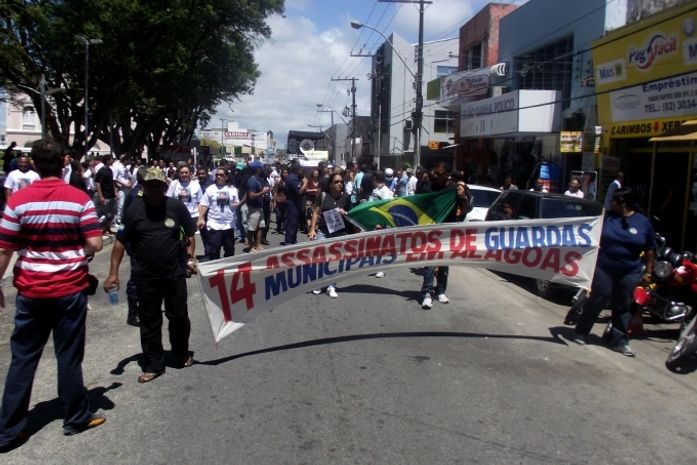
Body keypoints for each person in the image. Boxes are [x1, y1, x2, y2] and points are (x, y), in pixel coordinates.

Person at [0, 139, 105, 450]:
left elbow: (5, 248)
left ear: (33, 163)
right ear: (64, 162)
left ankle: (8, 431)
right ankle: (76, 418)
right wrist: (74, 249)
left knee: (22, 359)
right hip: (69, 289)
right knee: (68, 357)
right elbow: (96, 244)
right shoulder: (78, 198)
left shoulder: (18, 201)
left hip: (31, 290)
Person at [104, 167, 196, 383]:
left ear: (165, 187)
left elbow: (190, 234)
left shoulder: (176, 206)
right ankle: (154, 364)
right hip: (145, 277)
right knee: (149, 322)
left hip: (174, 275)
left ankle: (181, 354)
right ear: (143, 187)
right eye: (150, 186)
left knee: (179, 317)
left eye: (158, 186)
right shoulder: (134, 209)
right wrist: (112, 274)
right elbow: (120, 242)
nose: (154, 190)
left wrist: (190, 257)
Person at [571, 188, 655, 357]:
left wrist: (649, 272)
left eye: (614, 201)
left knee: (623, 304)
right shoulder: (607, 217)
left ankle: (620, 340)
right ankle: (581, 331)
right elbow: (587, 232)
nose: (611, 204)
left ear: (624, 203)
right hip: (604, 267)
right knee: (600, 296)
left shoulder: (642, 222)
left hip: (629, 270)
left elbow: (650, 249)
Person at [418, 162, 470, 309]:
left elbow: (465, 209)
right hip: (432, 231)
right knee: (430, 263)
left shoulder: (454, 189)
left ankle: (440, 290)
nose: (435, 175)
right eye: (435, 172)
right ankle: (427, 293)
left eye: (439, 173)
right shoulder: (430, 187)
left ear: (447, 175)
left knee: (444, 263)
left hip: (448, 232)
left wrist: (462, 197)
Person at [308, 172, 353, 298]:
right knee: (320, 258)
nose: (339, 184)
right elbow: (316, 213)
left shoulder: (346, 198)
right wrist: (312, 230)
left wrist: (345, 213)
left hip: (339, 233)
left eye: (341, 182)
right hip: (323, 231)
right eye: (336, 182)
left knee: (334, 260)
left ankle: (331, 285)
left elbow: (352, 215)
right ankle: (319, 283)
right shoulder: (323, 196)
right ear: (330, 184)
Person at [198, 168, 240, 260]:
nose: (219, 177)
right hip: (214, 225)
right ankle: (215, 271)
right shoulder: (210, 189)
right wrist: (200, 218)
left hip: (228, 225)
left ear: (226, 177)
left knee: (230, 251)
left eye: (221, 175)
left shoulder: (232, 189)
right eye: (217, 175)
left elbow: (236, 203)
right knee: (214, 251)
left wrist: (237, 205)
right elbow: (204, 205)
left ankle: (227, 270)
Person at [245, 161, 270, 252]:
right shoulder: (252, 181)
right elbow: (251, 196)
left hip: (259, 207)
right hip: (253, 208)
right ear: (258, 169)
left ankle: (258, 244)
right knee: (251, 228)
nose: (263, 169)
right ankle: (251, 246)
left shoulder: (257, 179)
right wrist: (263, 192)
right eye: (261, 167)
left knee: (260, 226)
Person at [95, 155, 117, 236]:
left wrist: (115, 192)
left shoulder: (110, 170)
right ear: (107, 160)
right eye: (111, 159)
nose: (112, 161)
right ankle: (99, 228)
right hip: (105, 195)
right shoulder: (101, 171)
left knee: (111, 214)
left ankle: (107, 228)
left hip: (111, 195)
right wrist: (100, 196)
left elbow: (111, 182)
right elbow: (97, 183)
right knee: (105, 214)